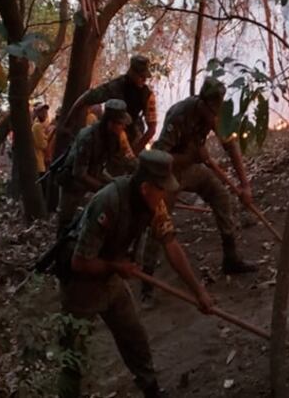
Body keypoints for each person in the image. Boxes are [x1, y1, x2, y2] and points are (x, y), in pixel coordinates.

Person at [58, 149, 214, 398]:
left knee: (134, 337)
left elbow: (171, 244)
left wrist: (198, 291)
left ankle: (151, 390)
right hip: (81, 285)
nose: (166, 195)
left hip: (111, 279)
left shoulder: (154, 203)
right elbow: (79, 262)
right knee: (73, 355)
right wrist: (116, 267)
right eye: (161, 189)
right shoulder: (107, 203)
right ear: (145, 188)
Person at [144, 77, 256, 279]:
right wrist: (190, 156)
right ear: (202, 103)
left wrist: (244, 185)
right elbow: (159, 157)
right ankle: (147, 275)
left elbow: (231, 146)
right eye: (212, 112)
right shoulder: (179, 115)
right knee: (160, 218)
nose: (215, 117)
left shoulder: (215, 114)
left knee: (221, 196)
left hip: (191, 169)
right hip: (167, 173)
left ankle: (230, 258)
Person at [58, 99, 138, 235]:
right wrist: (102, 189)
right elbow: (79, 173)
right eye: (120, 124)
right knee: (66, 224)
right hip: (72, 182)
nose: (124, 127)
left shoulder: (113, 137)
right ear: (110, 123)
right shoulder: (88, 137)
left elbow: (126, 159)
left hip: (94, 174)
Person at [68, 55, 157, 153]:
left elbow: (152, 129)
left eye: (145, 77)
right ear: (131, 72)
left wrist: (135, 151)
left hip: (130, 136)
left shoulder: (147, 95)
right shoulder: (115, 86)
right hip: (107, 135)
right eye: (141, 76)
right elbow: (88, 97)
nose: (144, 80)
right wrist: (69, 121)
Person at [32, 102, 55, 211]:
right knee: (43, 188)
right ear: (37, 113)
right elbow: (43, 145)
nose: (45, 114)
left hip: (40, 162)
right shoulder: (37, 126)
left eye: (45, 112)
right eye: (42, 112)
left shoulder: (40, 126)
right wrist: (52, 133)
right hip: (39, 162)